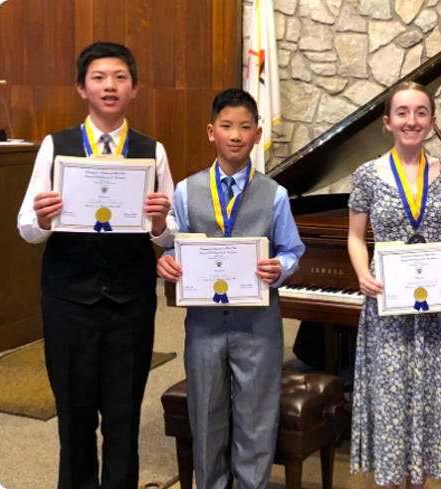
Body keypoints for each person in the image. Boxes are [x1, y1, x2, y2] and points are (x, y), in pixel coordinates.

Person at [17, 42, 176, 489]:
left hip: (131, 301)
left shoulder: (152, 151)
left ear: (135, 88)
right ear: (81, 88)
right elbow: (26, 226)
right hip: (68, 300)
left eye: (120, 77)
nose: (110, 85)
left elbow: (168, 236)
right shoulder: (56, 146)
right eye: (99, 77)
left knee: (124, 415)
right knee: (74, 414)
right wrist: (44, 218)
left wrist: (161, 221)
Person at [157, 88, 305, 489]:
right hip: (203, 327)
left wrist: (281, 267)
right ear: (211, 132)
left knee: (256, 422)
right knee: (205, 419)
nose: (235, 135)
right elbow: (173, 246)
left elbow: (293, 250)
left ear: (258, 134)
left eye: (244, 127)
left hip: (258, 327)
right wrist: (165, 261)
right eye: (226, 126)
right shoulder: (186, 191)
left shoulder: (275, 195)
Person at [347, 81, 441, 489]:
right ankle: (389, 481)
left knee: (427, 398)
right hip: (387, 306)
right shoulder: (367, 174)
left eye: (421, 112)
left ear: (432, 121)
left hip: (434, 310)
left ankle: (418, 482)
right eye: (402, 112)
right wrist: (362, 274)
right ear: (387, 122)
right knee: (391, 400)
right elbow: (355, 237)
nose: (412, 120)